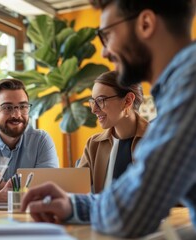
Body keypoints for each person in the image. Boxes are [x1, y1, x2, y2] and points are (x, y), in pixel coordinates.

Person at [21, 0, 196, 238]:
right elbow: (131, 201)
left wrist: (75, 205)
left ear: (145, 24)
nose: (104, 51)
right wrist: (73, 205)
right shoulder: (181, 86)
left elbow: (130, 214)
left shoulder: (190, 85)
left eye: (107, 35)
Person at [77, 71, 148, 193]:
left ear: (127, 101)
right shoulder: (93, 145)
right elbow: (76, 192)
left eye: (100, 100)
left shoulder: (157, 140)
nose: (94, 110)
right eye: (93, 101)